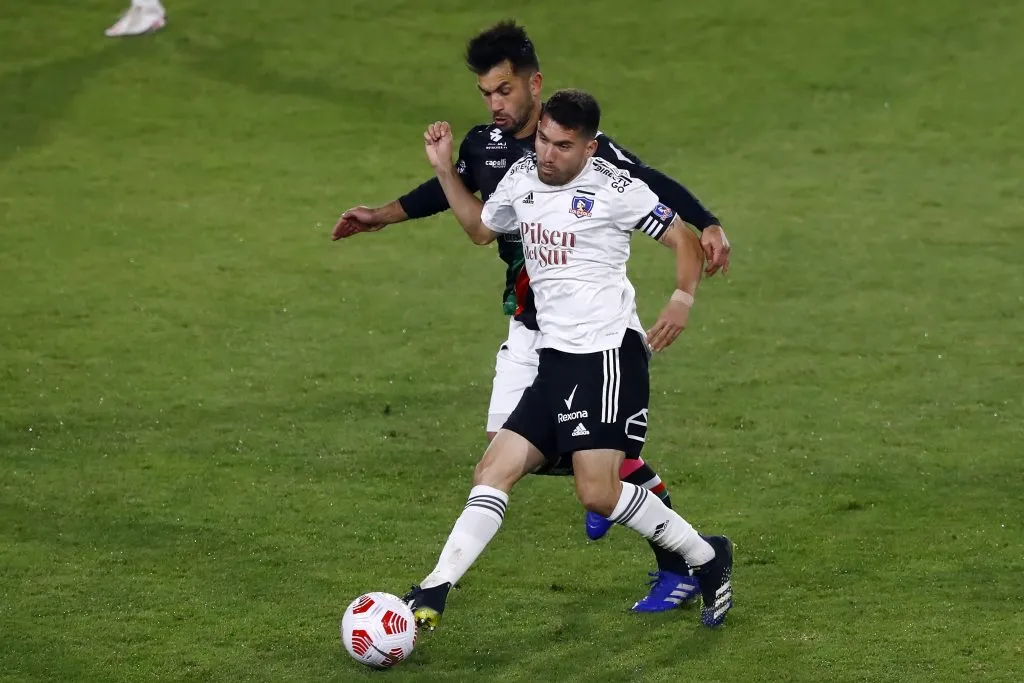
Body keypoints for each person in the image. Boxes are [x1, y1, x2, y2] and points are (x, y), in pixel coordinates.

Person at [333, 20, 730, 612]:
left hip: (597, 344)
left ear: (533, 84)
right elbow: (468, 211)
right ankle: (438, 590)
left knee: (595, 486)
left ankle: (685, 551)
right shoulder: (496, 155)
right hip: (533, 332)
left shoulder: (596, 164)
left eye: (503, 91)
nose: (495, 104)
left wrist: (704, 228)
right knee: (498, 460)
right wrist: (386, 212)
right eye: (485, 94)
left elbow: (651, 190)